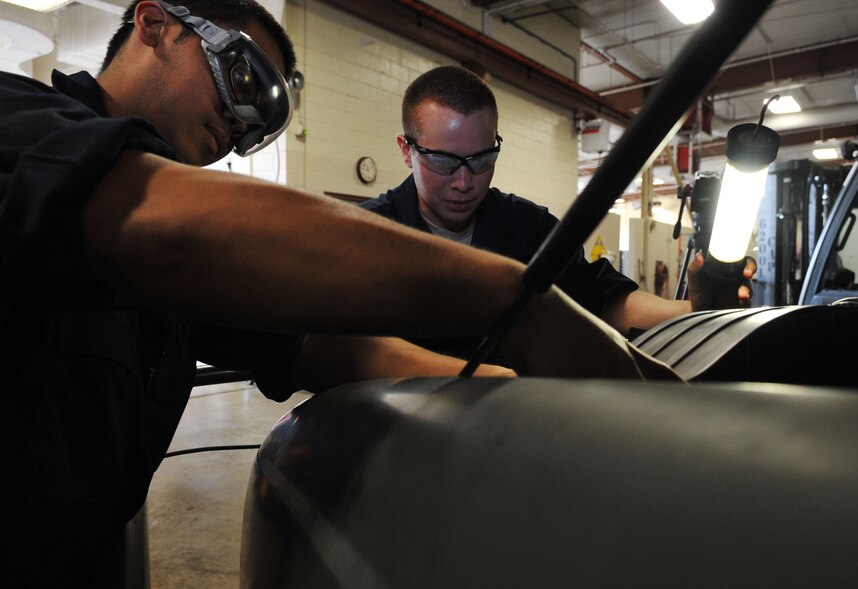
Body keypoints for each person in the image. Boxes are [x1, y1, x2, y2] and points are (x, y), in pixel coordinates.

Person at [0, 1, 677, 585]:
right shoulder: (19, 118)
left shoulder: (177, 272)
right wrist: (513, 297)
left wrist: (519, 390)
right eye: (238, 78)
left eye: (258, 118)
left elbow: (328, 348)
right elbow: (165, 224)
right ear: (155, 23)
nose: (238, 125)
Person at [360, 65, 755, 360]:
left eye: (482, 160)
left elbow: (604, 301)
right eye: (445, 162)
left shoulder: (527, 229)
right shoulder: (367, 235)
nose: (464, 182)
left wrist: (694, 311)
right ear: (406, 149)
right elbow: (341, 351)